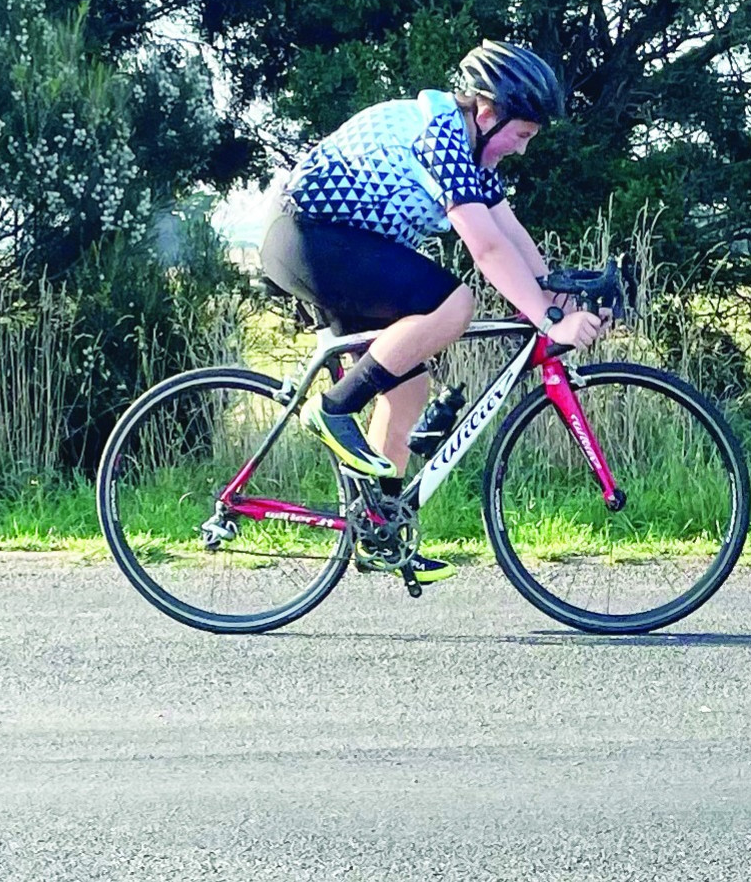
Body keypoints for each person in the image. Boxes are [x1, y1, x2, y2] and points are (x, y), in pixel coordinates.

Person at [259, 40, 610, 582]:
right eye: (521, 135)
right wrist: (545, 316)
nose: (520, 150)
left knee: (407, 389)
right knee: (456, 301)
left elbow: (511, 236)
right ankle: (331, 410)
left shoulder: (472, 153)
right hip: (309, 239)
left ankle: (380, 529)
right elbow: (486, 251)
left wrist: (561, 303)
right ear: (489, 114)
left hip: (341, 245)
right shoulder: (441, 137)